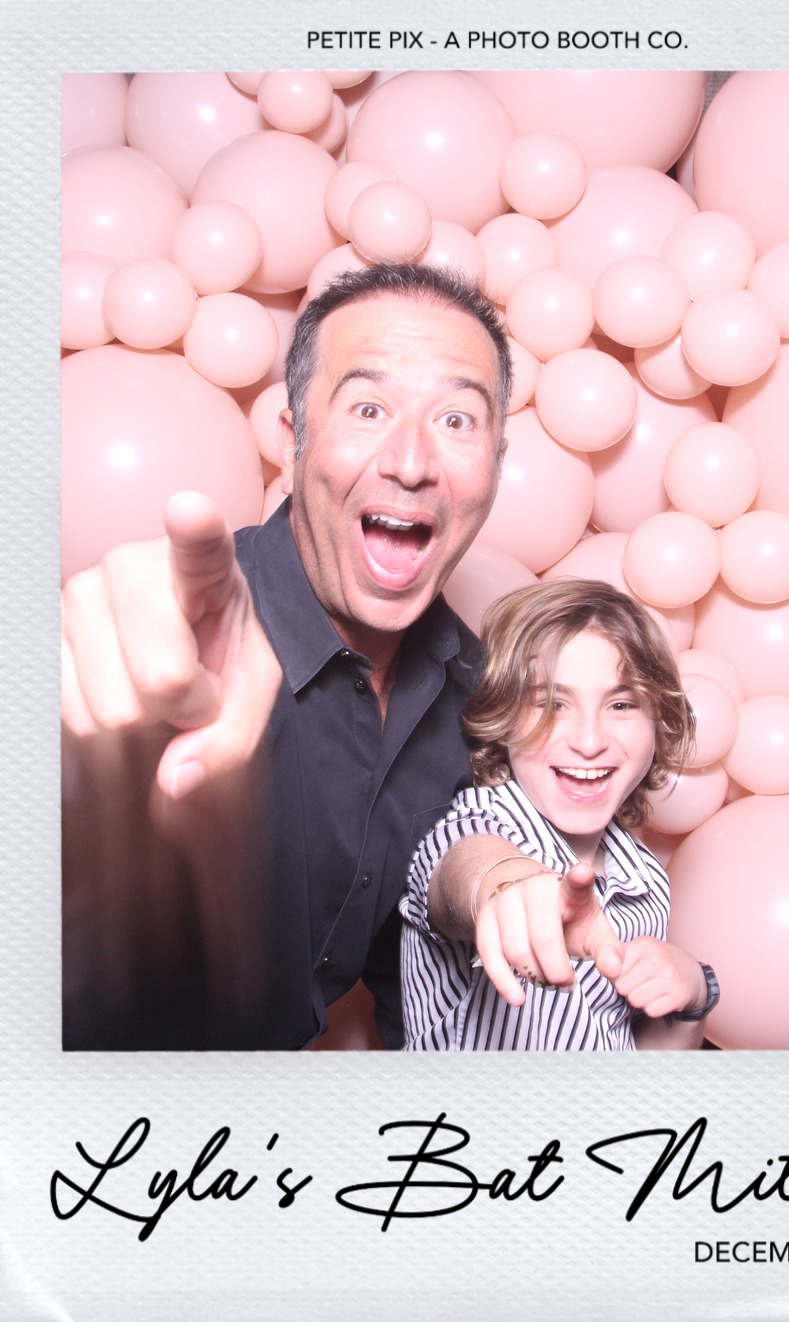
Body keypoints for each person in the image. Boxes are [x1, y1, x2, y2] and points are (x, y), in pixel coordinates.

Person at [61, 261, 630, 1051]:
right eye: (368, 408)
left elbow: (427, 965)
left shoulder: (477, 693)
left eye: (457, 420)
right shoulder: (184, 630)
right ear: (293, 439)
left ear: (497, 465)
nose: (411, 461)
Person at [400, 579, 719, 1050]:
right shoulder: (481, 821)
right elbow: (462, 863)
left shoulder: (647, 879)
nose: (589, 742)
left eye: (621, 704)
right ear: (504, 716)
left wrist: (693, 997)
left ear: (658, 723)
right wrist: (503, 883)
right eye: (552, 704)